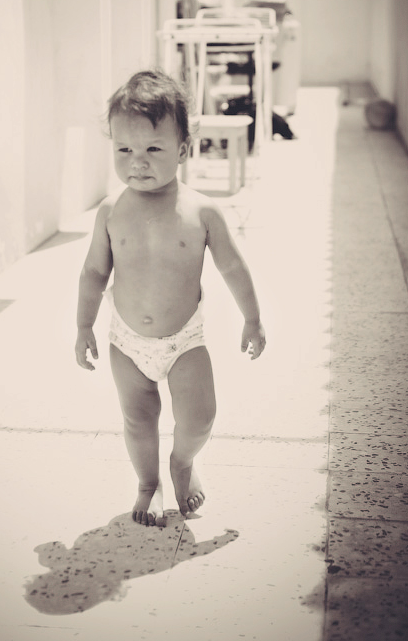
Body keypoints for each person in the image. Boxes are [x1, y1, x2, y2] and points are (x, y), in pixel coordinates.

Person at [75, 70, 266, 527]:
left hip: (184, 340)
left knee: (200, 418)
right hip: (127, 342)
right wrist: (83, 326)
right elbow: (95, 272)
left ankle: (182, 461)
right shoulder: (111, 211)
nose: (137, 162)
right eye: (124, 150)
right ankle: (148, 483)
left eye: (153, 150)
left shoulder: (201, 211)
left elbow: (232, 267)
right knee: (138, 421)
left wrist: (252, 318)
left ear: (182, 150)